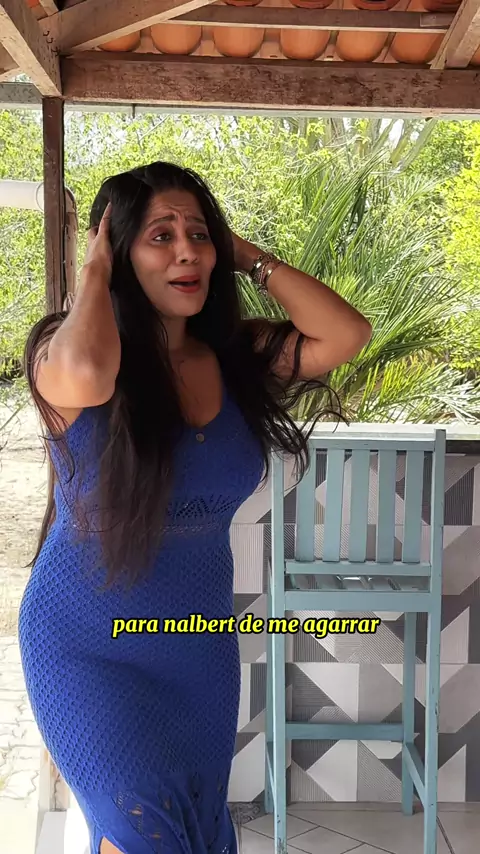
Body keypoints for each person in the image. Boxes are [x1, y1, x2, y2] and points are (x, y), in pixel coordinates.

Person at [18, 161, 371, 854]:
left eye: (198, 234)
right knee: (141, 830)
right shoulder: (65, 351)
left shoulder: (236, 357)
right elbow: (86, 373)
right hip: (88, 647)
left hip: (195, 647)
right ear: (119, 249)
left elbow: (345, 334)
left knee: (194, 830)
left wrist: (246, 255)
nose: (186, 251)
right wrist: (96, 267)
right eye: (160, 236)